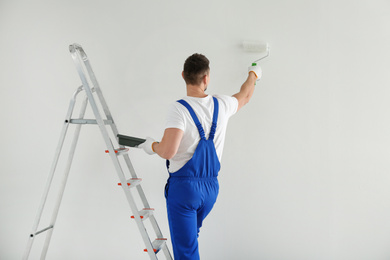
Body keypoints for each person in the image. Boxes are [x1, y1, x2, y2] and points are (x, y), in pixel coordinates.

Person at [139, 53, 261, 260]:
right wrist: (253, 74)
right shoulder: (222, 104)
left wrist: (151, 145)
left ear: (183, 75)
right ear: (206, 78)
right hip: (210, 191)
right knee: (190, 240)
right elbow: (245, 95)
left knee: (186, 252)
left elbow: (167, 151)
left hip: (184, 190)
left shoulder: (179, 109)